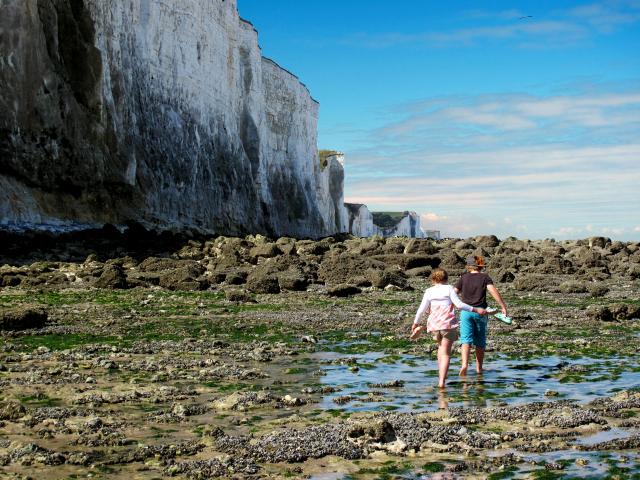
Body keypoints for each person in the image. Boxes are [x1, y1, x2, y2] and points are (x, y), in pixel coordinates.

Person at [411, 268, 486, 389]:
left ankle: (443, 375)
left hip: (434, 325)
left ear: (433, 279)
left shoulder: (429, 291)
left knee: (440, 349)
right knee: (446, 353)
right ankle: (441, 382)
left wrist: (415, 323)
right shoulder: (449, 288)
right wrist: (477, 309)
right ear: (446, 279)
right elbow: (459, 305)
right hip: (447, 324)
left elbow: (421, 309)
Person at [454, 255, 508, 376]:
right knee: (480, 341)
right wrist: (502, 306)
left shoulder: (463, 278)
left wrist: (448, 307)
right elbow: (493, 291)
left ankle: (464, 365)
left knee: (465, 340)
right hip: (481, 312)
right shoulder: (485, 277)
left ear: (468, 266)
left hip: (466, 312)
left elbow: (453, 293)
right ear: (480, 266)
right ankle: (479, 368)